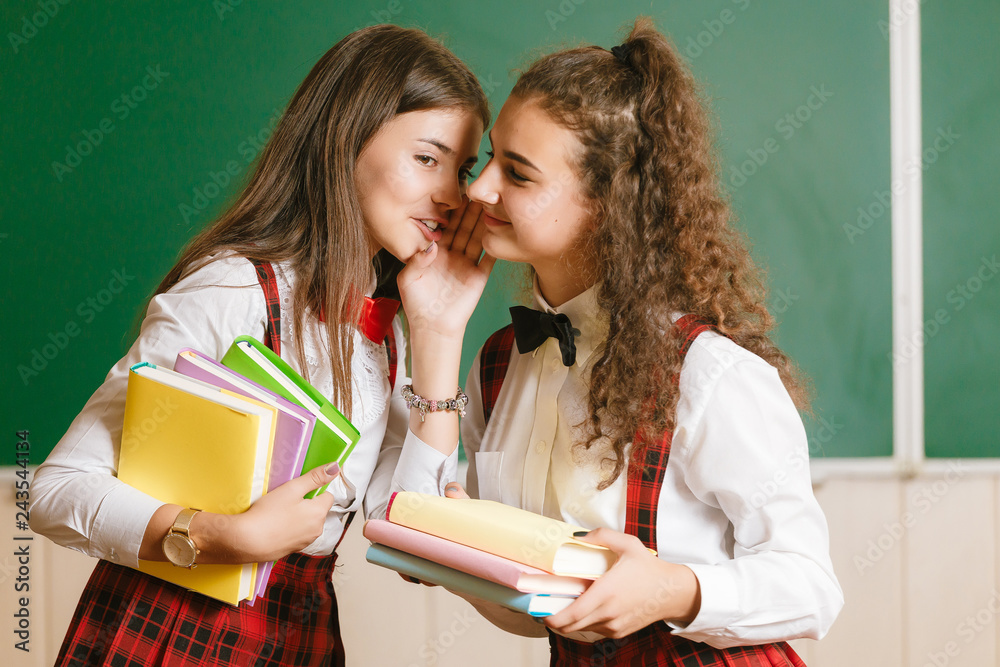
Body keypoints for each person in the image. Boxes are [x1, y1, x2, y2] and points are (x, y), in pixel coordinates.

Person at [29, 24, 493, 667]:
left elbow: (412, 533)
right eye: (427, 158)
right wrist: (221, 535)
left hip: (300, 636)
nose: (451, 195)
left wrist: (440, 334)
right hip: (173, 629)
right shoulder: (236, 287)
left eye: (463, 169)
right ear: (346, 139)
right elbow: (55, 491)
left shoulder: (385, 335)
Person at [412, 17, 843, 666]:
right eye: (489, 158)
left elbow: (812, 588)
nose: (478, 189)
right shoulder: (497, 363)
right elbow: (537, 611)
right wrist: (437, 328)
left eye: (518, 174)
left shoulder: (708, 374)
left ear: (608, 205)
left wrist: (673, 588)